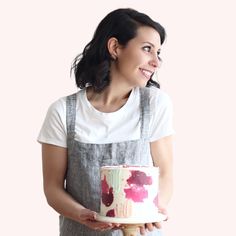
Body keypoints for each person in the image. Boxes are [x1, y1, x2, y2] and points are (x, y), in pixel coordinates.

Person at [37, 8, 174, 236]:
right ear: (115, 47)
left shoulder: (155, 104)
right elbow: (52, 188)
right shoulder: (62, 112)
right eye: (147, 49)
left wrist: (154, 209)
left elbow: (165, 174)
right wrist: (82, 214)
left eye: (158, 52)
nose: (156, 62)